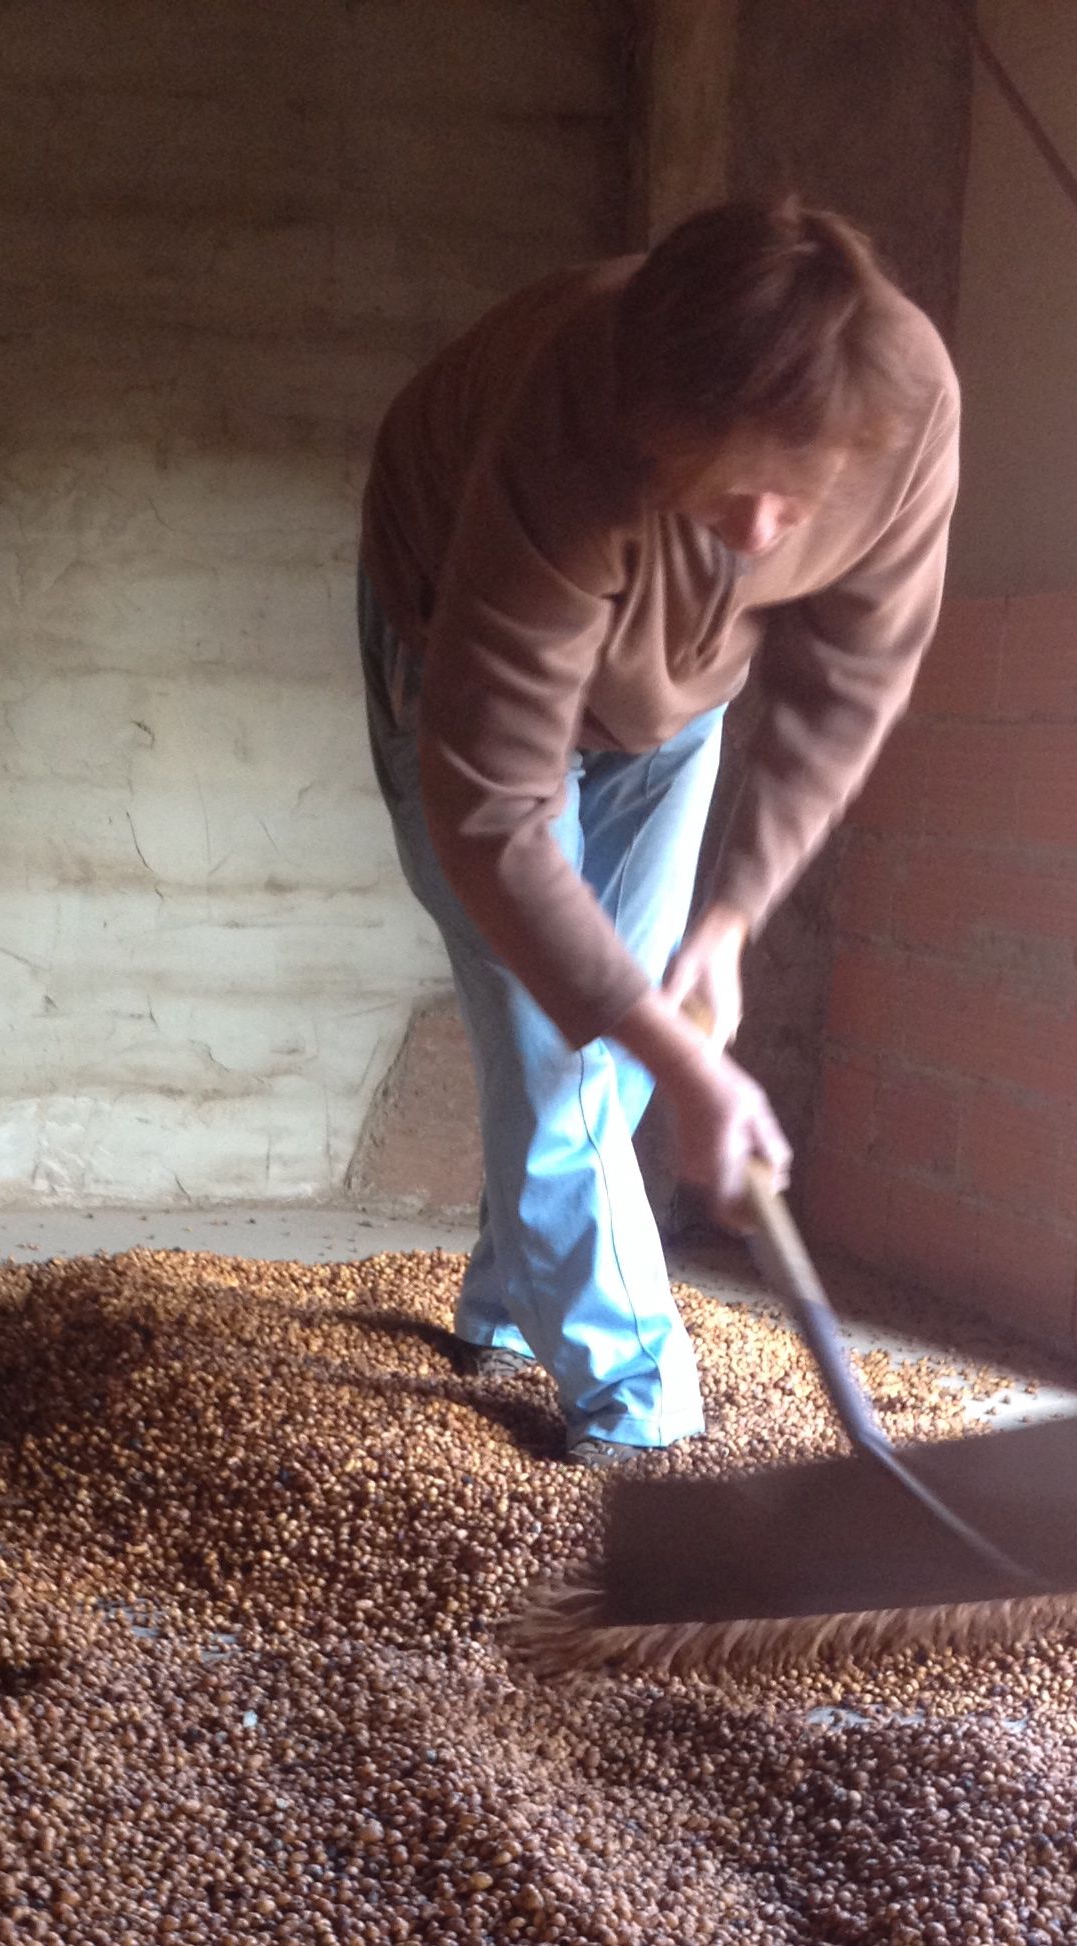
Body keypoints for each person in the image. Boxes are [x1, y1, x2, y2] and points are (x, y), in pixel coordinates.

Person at [359, 196, 960, 1462]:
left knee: (619, 1039)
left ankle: (510, 1300)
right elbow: (497, 810)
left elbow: (849, 682)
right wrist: (686, 1064)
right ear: (657, 429)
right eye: (726, 490)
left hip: (679, 696)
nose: (756, 537)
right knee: (563, 1031)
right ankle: (636, 1406)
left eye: (794, 502)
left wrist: (733, 920)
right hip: (456, 639)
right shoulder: (566, 421)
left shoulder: (899, 411)